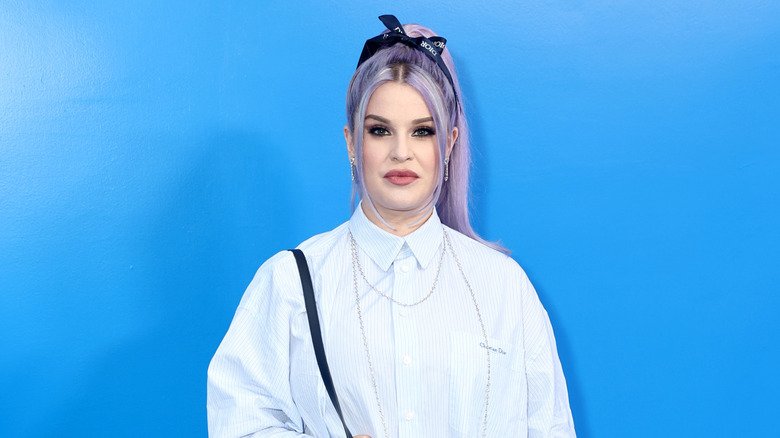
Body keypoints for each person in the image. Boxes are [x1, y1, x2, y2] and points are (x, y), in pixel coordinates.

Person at [207, 15, 576, 438]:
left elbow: (551, 429)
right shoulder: (289, 283)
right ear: (351, 141)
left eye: (422, 131)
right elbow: (239, 425)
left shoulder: (504, 287)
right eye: (380, 130)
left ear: (450, 143)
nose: (401, 152)